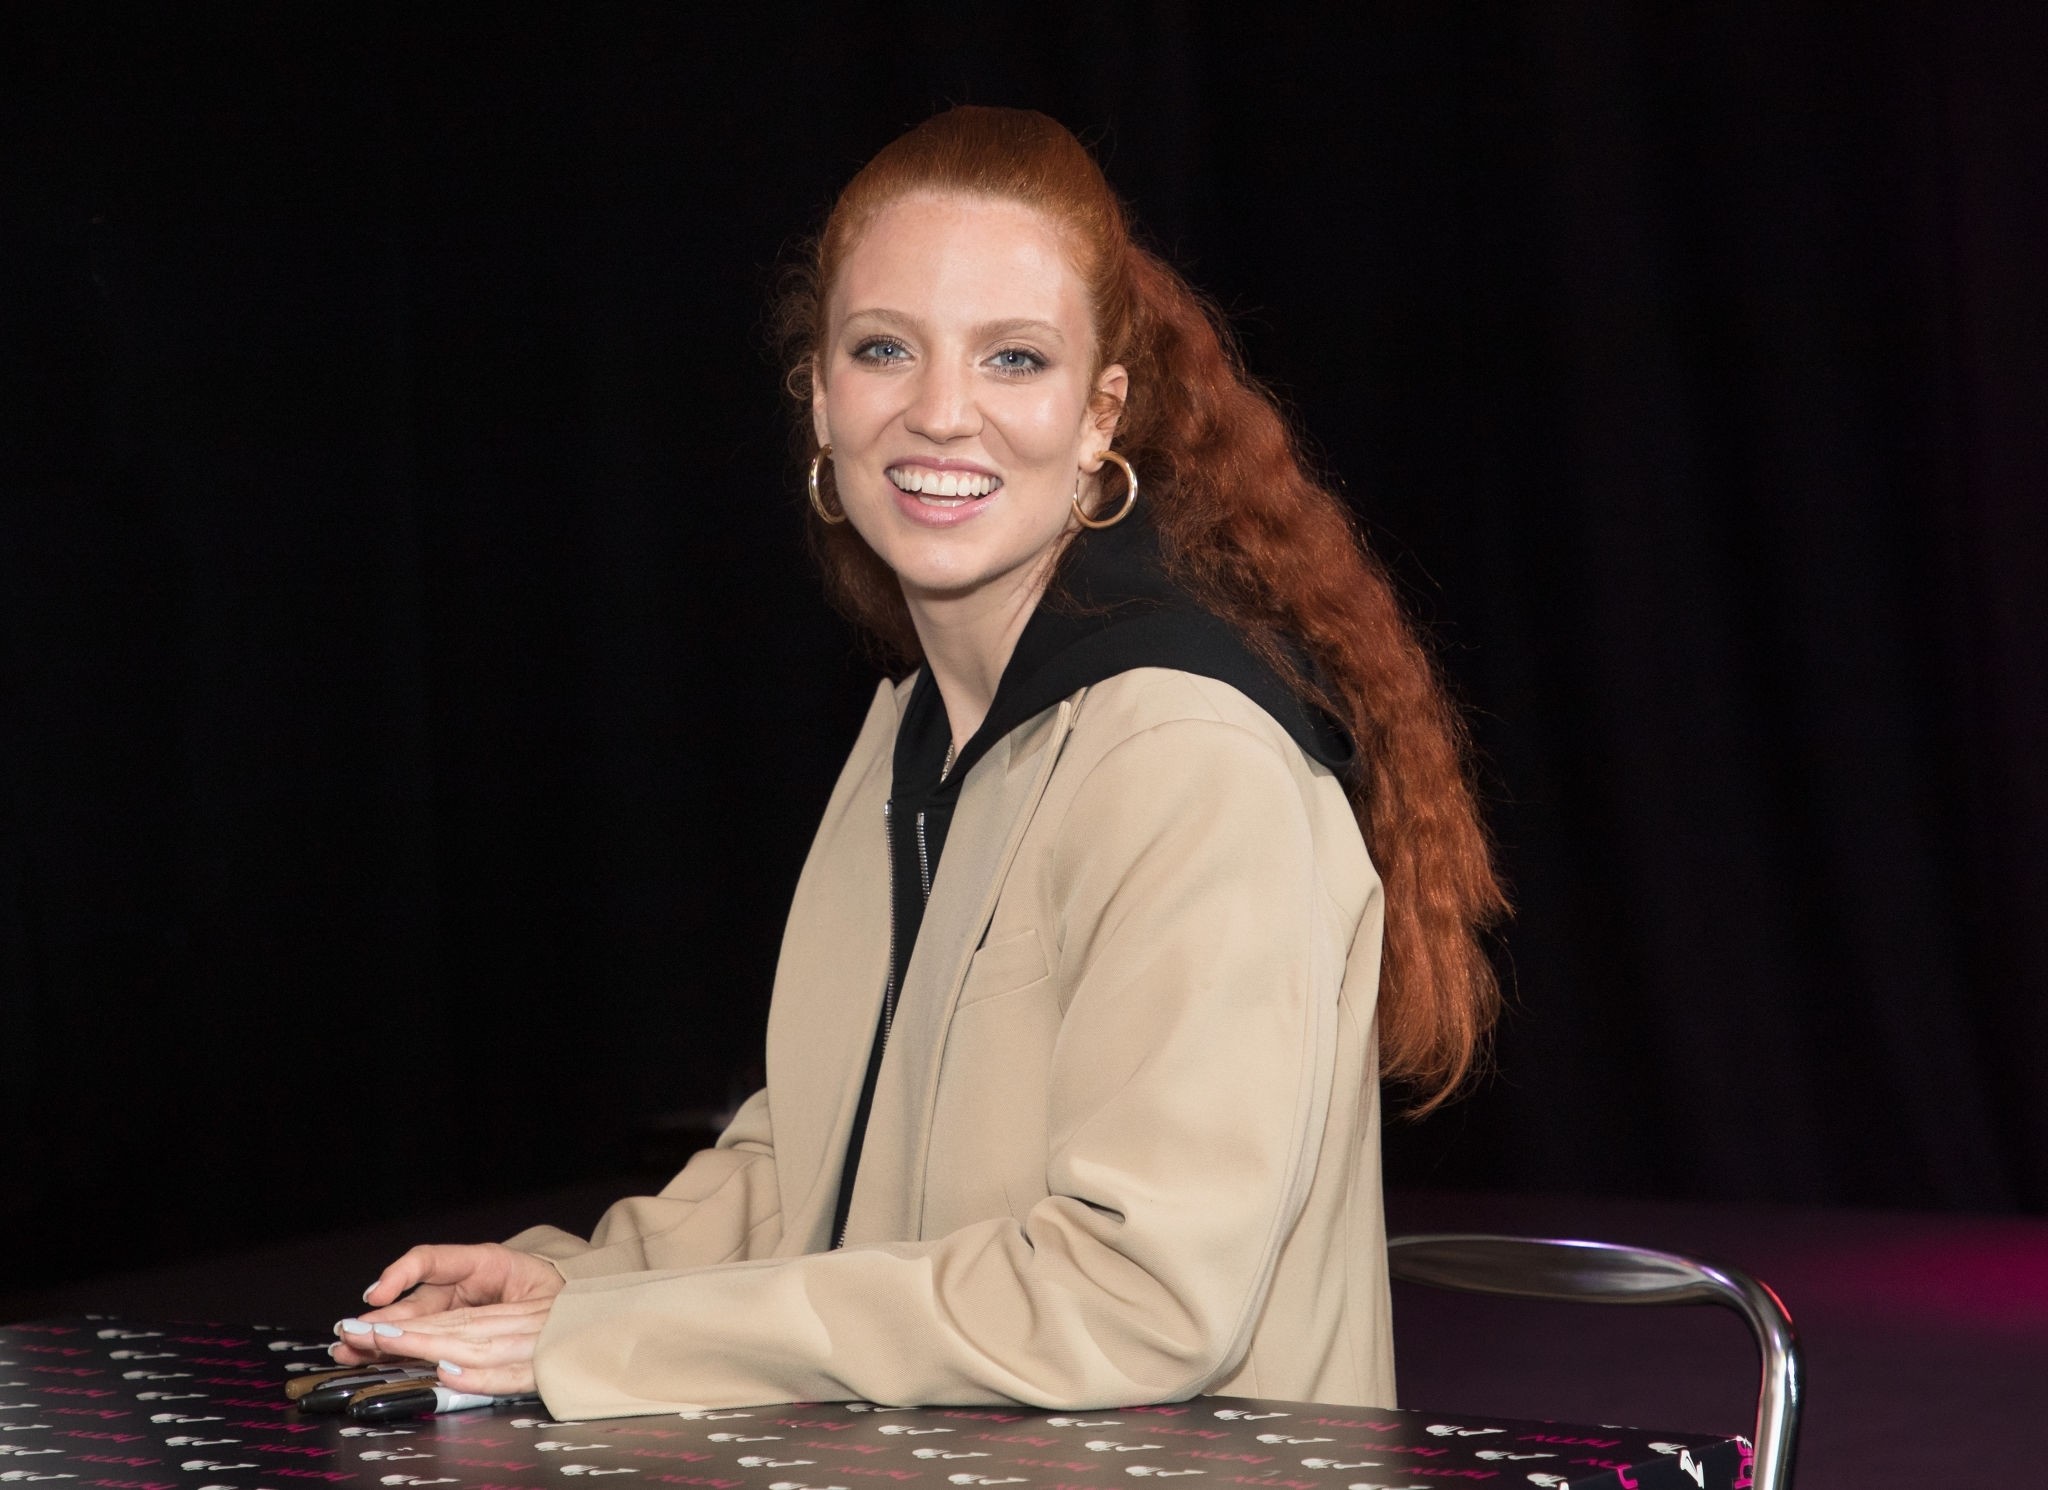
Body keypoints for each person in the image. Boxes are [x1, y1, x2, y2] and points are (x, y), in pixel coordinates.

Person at [329, 105, 1505, 1418]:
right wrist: (579, 1285)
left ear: (1099, 413)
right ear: (820, 397)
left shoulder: (1187, 759)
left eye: (1015, 358)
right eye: (885, 349)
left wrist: (620, 1338)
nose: (942, 413)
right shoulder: (913, 727)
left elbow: (1141, 1296)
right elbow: (821, 1157)